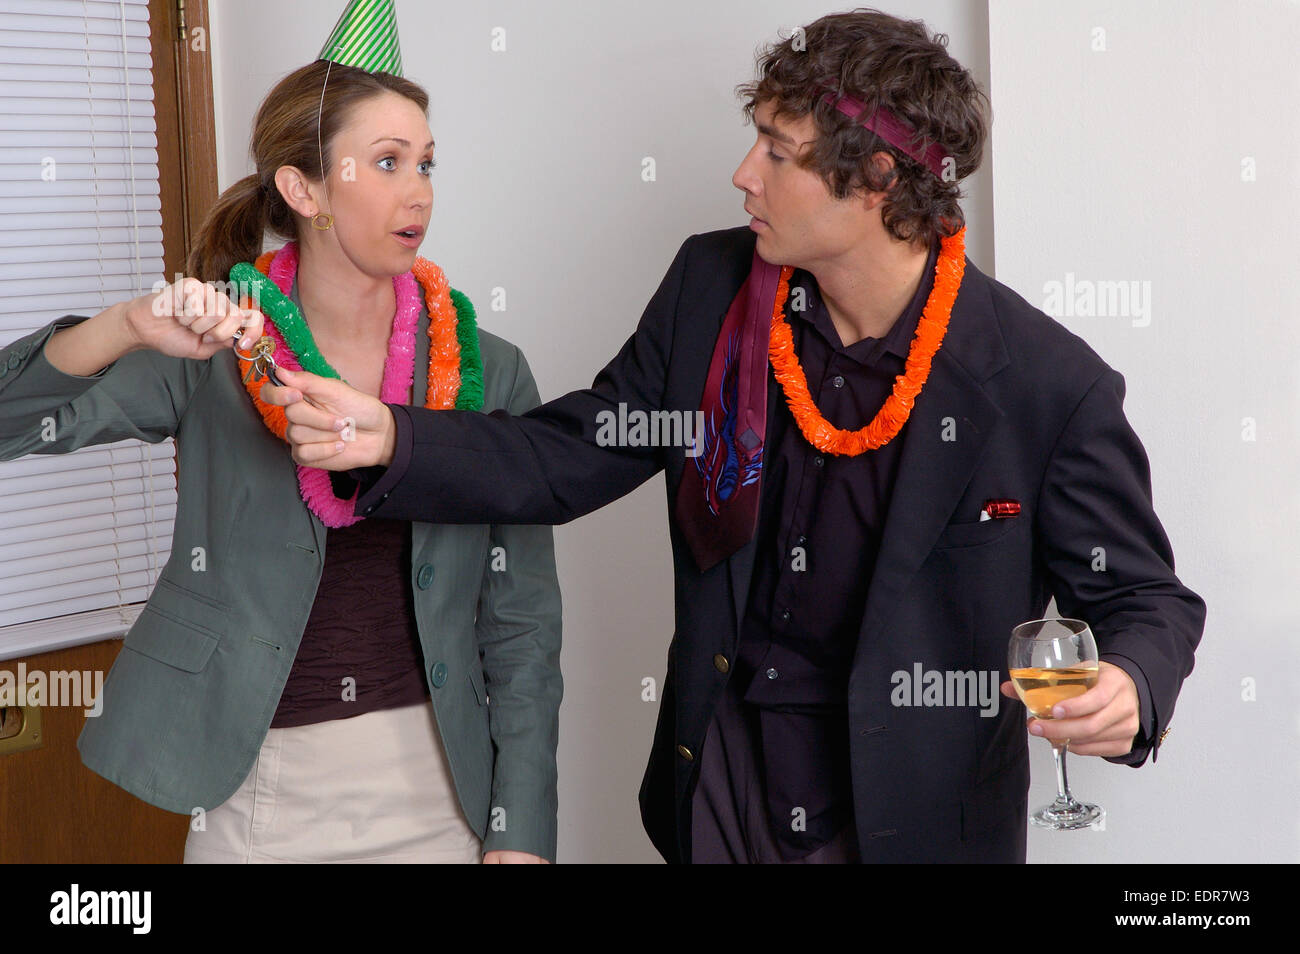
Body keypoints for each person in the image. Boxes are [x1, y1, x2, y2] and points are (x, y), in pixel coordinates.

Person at [264, 8, 1205, 863]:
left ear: (875, 178)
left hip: (909, 824)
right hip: (719, 785)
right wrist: (392, 436)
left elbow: (1144, 596)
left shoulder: (1047, 383)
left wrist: (1131, 682)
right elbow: (570, 455)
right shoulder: (710, 289)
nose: (742, 174)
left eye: (777, 151)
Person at [0, 0, 561, 863]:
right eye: (386, 162)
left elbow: (521, 620)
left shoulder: (490, 367)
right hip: (257, 789)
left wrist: (518, 834)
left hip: (442, 787)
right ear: (303, 190)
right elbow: (11, 421)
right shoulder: (214, 347)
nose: (420, 191)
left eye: (426, 163)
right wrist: (125, 324)